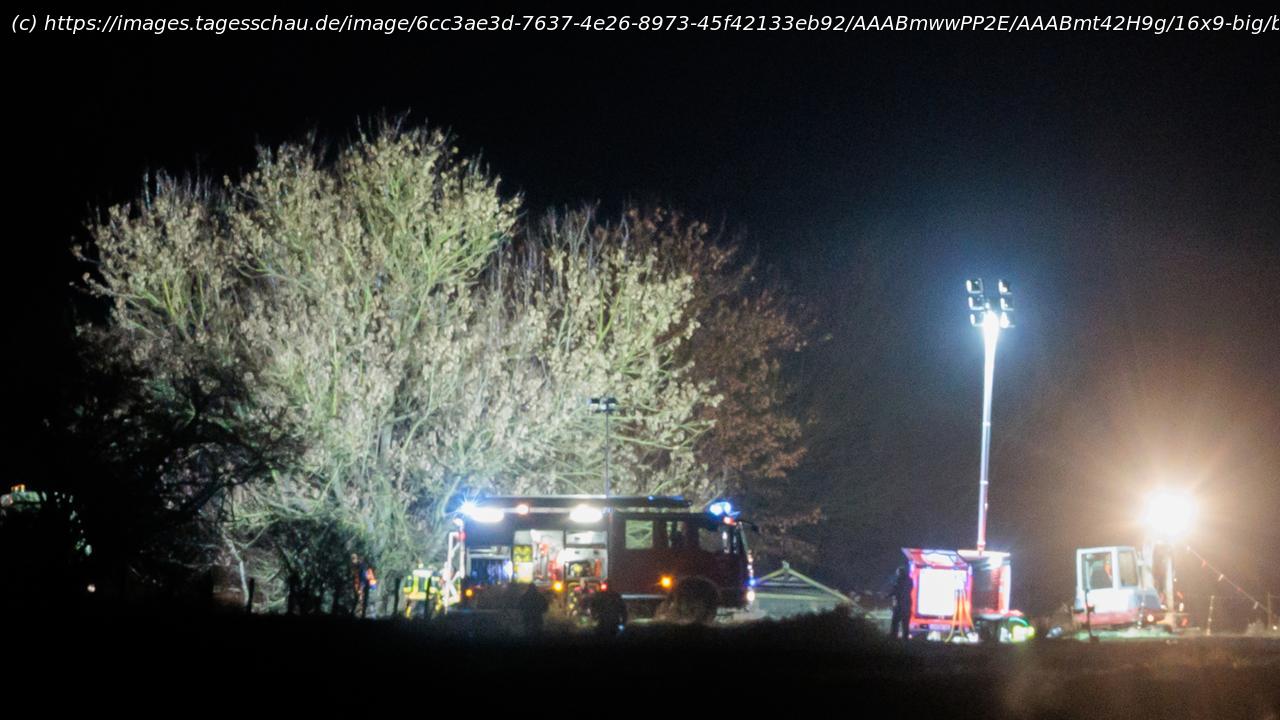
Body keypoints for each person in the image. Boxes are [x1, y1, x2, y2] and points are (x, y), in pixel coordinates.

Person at [889, 566, 914, 640]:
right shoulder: (910, 580)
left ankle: (893, 637)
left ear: (900, 573)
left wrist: (887, 596)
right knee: (905, 623)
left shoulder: (899, 580)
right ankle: (905, 638)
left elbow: (895, 590)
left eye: (897, 573)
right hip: (907, 604)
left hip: (899, 604)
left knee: (895, 621)